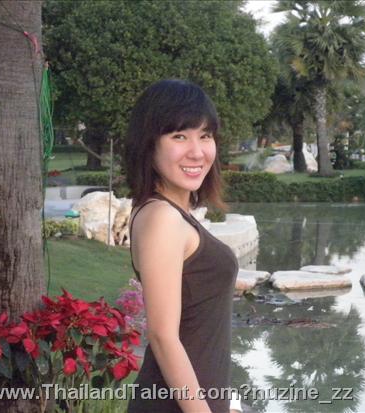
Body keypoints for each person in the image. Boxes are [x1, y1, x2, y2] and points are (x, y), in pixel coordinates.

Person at [124, 79, 239, 413]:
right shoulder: (162, 217)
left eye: (205, 135)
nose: (197, 151)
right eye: (179, 136)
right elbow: (163, 337)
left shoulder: (171, 213)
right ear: (149, 144)